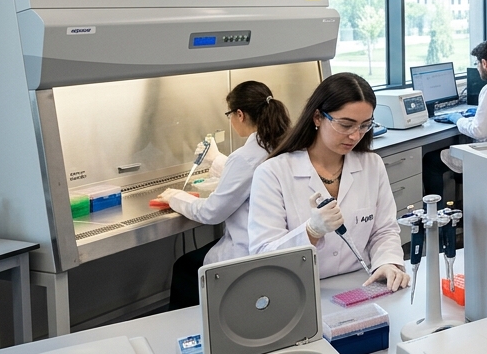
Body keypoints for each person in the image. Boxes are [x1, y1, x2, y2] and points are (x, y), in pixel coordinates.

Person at [248, 73, 411, 290]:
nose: (355, 136)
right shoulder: (273, 173)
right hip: (298, 289)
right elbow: (262, 255)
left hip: (360, 284)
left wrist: (387, 263)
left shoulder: (372, 165)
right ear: (317, 117)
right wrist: (311, 232)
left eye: (364, 125)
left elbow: (384, 230)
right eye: (346, 125)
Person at [163, 82, 290, 309]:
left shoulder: (246, 156)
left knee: (184, 267)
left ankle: (191, 331)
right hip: (281, 247)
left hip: (249, 251)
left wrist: (176, 198)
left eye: (230, 114)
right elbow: (253, 176)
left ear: (239, 114)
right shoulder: (283, 143)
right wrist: (216, 159)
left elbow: (212, 212)